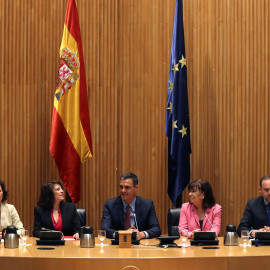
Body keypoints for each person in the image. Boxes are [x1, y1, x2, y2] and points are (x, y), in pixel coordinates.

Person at [101, 172, 161, 239]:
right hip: (118, 245)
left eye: (127, 187)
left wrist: (142, 234)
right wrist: (123, 234)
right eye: (121, 187)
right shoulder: (110, 205)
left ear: (136, 188)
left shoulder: (147, 205)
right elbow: (104, 229)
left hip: (141, 246)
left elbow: (156, 229)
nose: (123, 190)